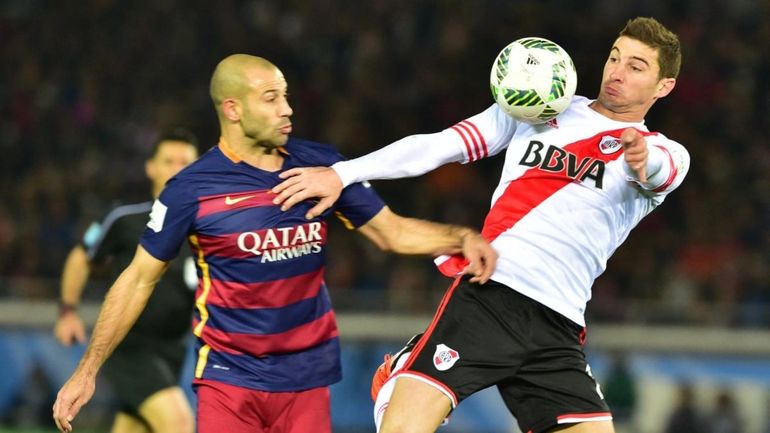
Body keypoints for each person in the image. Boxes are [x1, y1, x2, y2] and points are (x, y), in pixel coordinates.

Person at [272, 17, 690, 433]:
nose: (616, 72)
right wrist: (342, 173)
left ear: (663, 86)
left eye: (636, 67)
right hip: (492, 295)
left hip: (559, 326)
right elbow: (440, 145)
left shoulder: (662, 151)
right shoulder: (540, 105)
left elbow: (661, 170)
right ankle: (406, 372)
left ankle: (410, 361)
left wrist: (641, 157)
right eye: (615, 58)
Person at [52, 54, 496, 433]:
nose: (287, 109)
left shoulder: (321, 167)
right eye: (270, 99)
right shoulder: (191, 189)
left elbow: (391, 232)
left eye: (285, 96)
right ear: (233, 109)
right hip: (229, 379)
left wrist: (459, 236)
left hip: (307, 378)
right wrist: (87, 372)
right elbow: (137, 279)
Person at [53, 129, 199, 433]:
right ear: (150, 167)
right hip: (130, 347)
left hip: (173, 350)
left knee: (133, 427)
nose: (176, 169)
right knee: (179, 423)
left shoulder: (204, 225)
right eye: (168, 160)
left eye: (184, 162)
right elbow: (81, 257)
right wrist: (68, 311)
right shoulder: (124, 218)